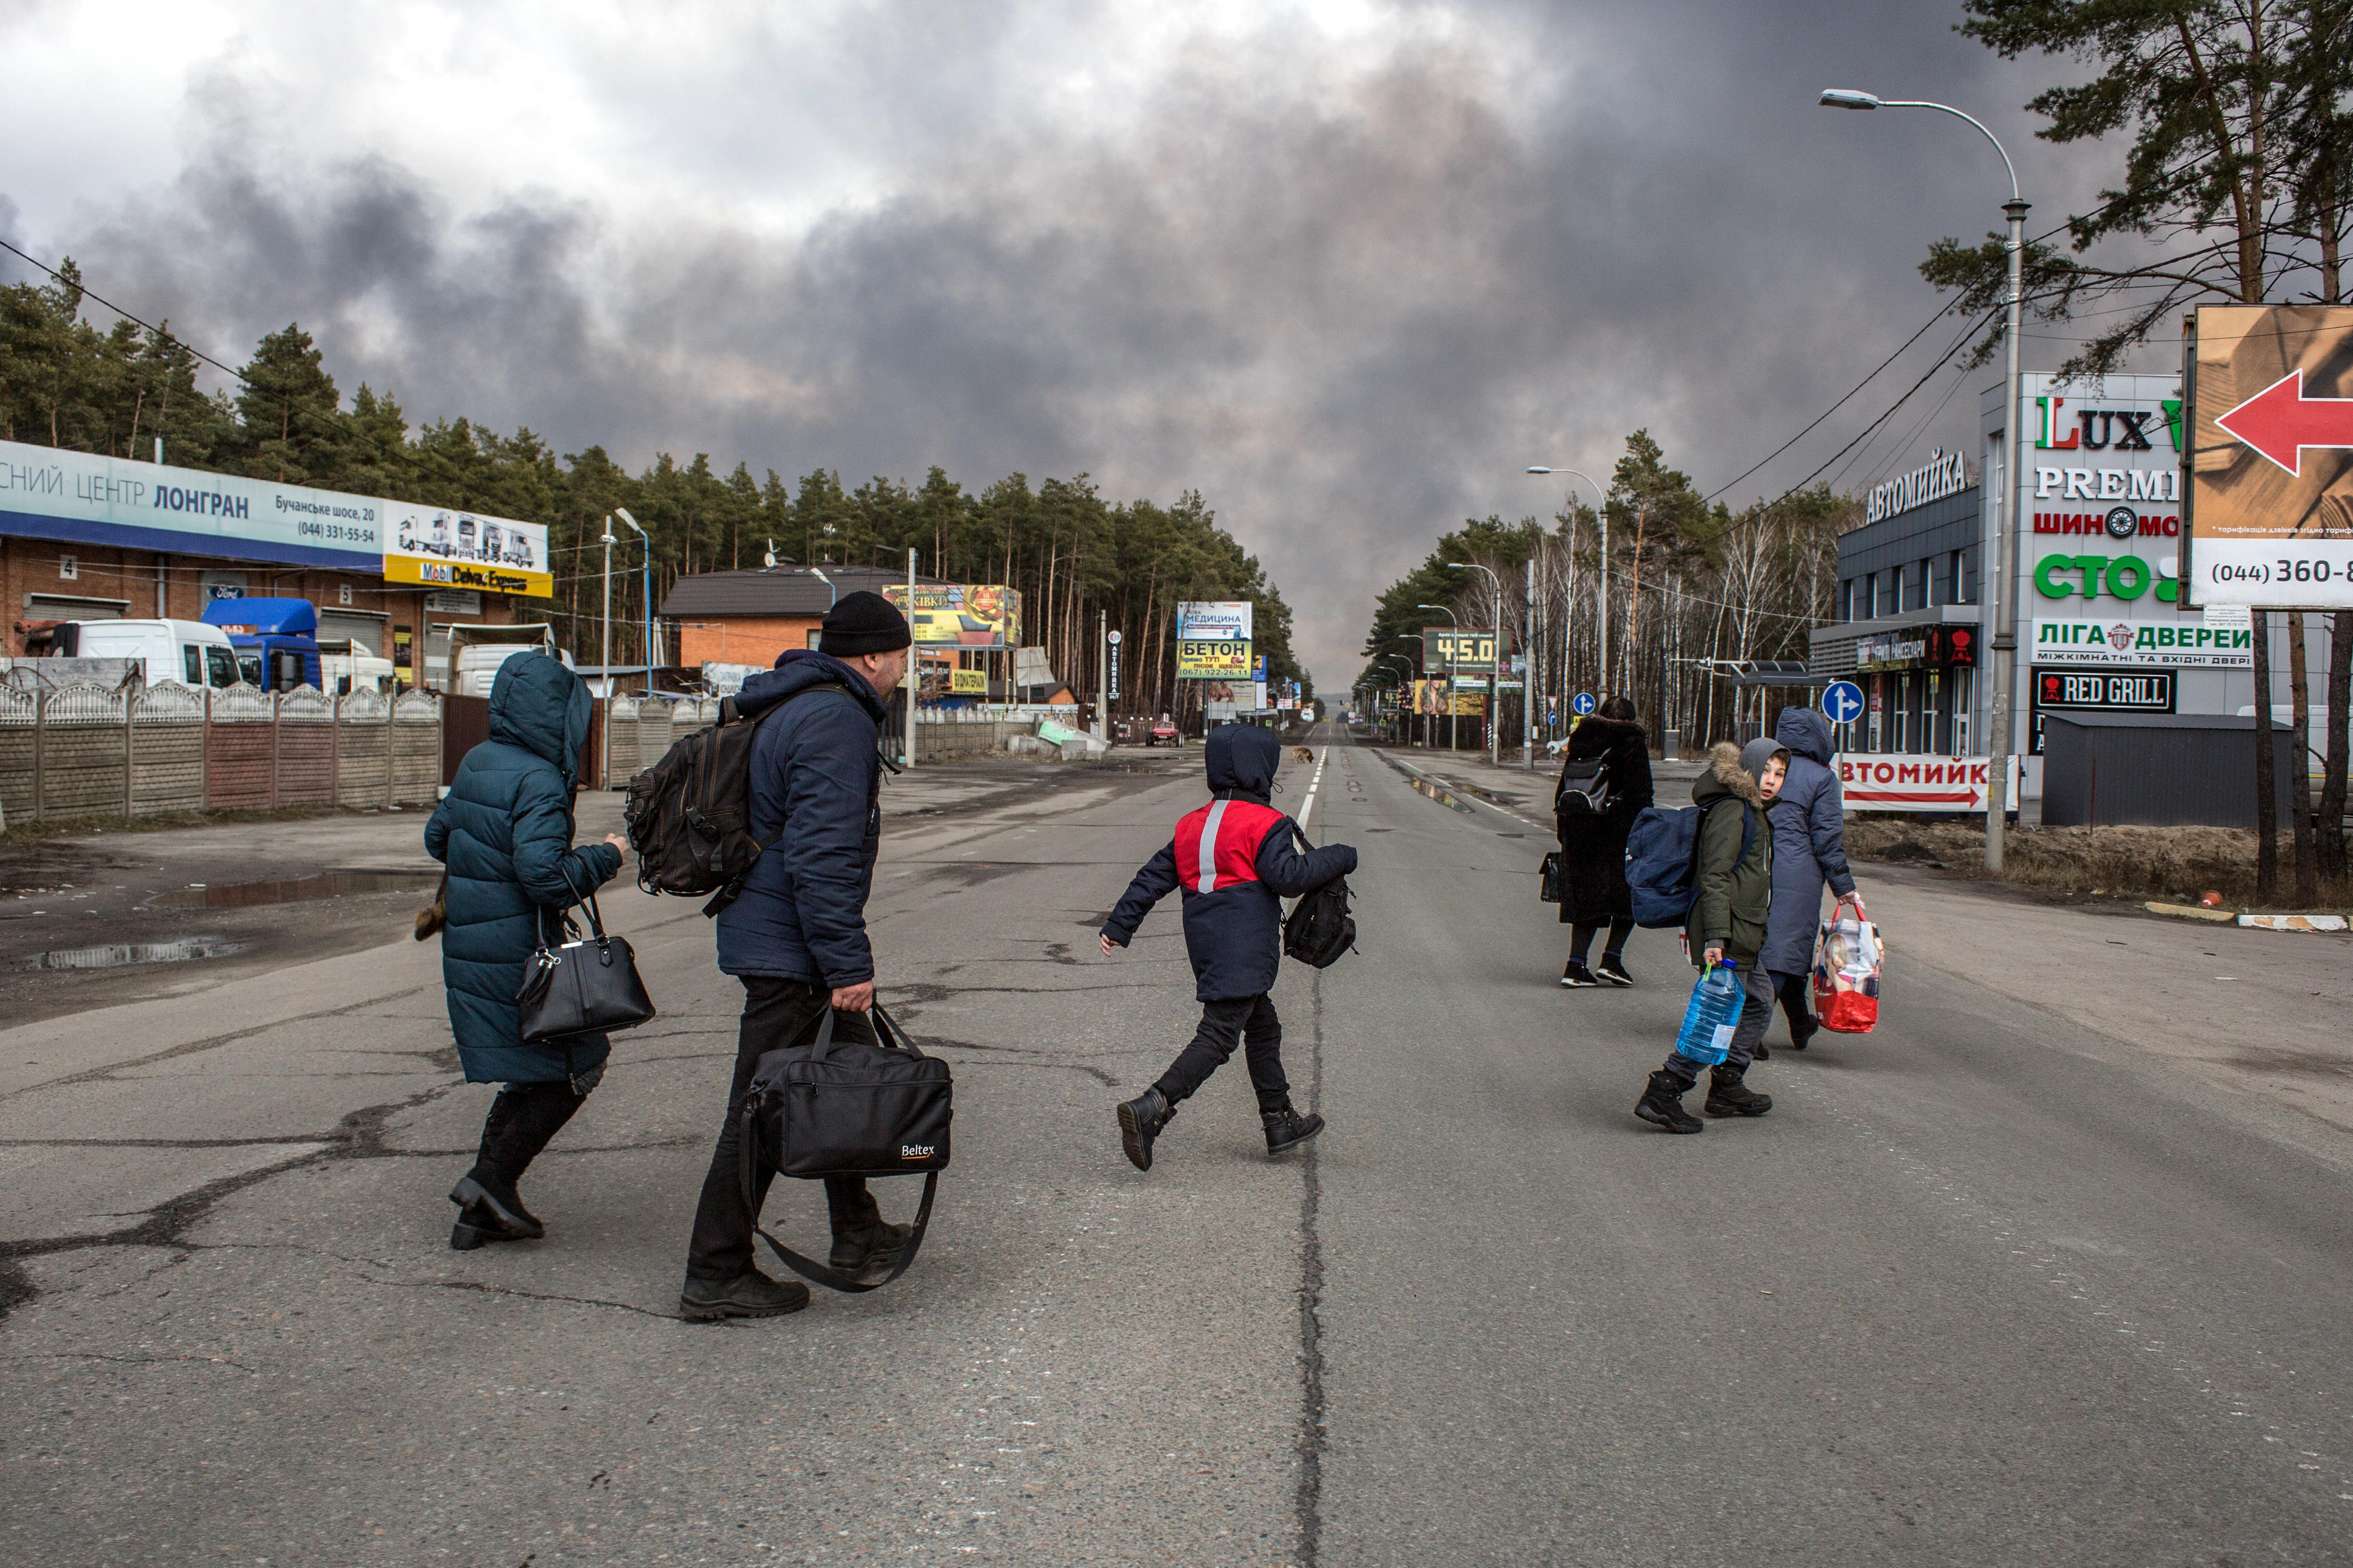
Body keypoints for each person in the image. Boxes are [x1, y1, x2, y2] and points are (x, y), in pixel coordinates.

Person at [677, 590, 916, 1323]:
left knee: (837, 1079)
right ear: (873, 655)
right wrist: (846, 962)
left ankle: (858, 1229)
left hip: (781, 932)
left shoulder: (792, 704)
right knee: (761, 1107)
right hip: (793, 945)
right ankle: (716, 1269)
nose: (905, 671)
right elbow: (821, 856)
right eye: (903, 656)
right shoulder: (837, 719)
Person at [424, 650, 627, 1250]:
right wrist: (608, 855)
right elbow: (544, 875)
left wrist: (483, 861)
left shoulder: (477, 760)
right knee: (578, 1062)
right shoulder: (538, 777)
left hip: (472, 944)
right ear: (557, 716)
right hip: (518, 951)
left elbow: (439, 836)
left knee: (529, 1071)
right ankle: (489, 1181)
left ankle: (482, 1208)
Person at [1099, 725, 1357, 1171]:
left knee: (1263, 1026)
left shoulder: (1191, 825)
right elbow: (1289, 877)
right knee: (1219, 1036)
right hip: (1247, 946)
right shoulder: (1266, 823)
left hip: (1207, 946)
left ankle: (1279, 1121)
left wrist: (1120, 926)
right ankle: (1153, 1106)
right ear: (1262, 770)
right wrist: (1342, 855)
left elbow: (1152, 878)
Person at [1633, 738, 1784, 1135]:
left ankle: (1727, 1084)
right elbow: (1714, 875)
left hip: (1743, 929)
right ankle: (1665, 1089)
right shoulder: (1734, 809)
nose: (1771, 781)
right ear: (1748, 769)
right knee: (1717, 1013)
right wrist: (1717, 936)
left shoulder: (1753, 810)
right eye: (1765, 770)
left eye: (1779, 774)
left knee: (1759, 1001)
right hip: (1728, 931)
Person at [1761, 706, 1862, 1052]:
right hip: (1798, 875)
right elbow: (1827, 839)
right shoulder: (1822, 778)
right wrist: (1844, 886)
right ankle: (1749, 1035)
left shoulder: (1768, 765)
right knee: (1783, 950)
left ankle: (1800, 1023)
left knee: (1780, 950)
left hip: (1755, 867)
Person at [1551, 695, 1654, 987]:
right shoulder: (1632, 743)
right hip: (1616, 835)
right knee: (1630, 897)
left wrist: (1566, 834)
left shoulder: (1582, 742)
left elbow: (1563, 791)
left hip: (1579, 834)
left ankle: (1575, 966)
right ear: (1631, 720)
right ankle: (1612, 959)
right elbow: (1641, 796)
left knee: (1585, 901)